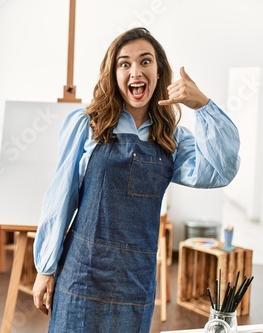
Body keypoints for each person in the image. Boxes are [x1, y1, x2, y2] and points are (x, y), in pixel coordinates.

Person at [32, 27, 240, 332]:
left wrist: (203, 106)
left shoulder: (172, 139)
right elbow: (61, 197)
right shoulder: (88, 125)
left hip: (135, 279)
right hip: (82, 273)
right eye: (124, 63)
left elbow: (219, 171)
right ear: (113, 73)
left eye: (145, 61)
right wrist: (45, 268)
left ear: (159, 71)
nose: (135, 71)